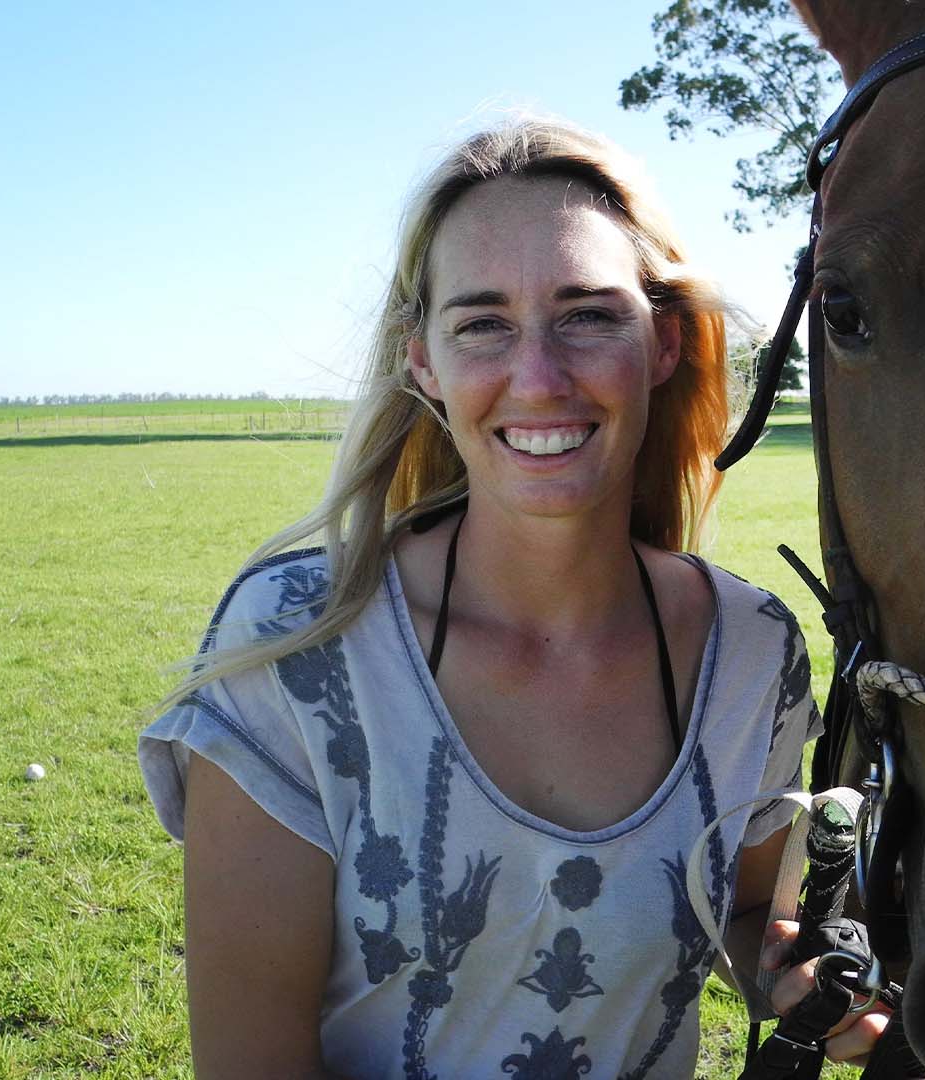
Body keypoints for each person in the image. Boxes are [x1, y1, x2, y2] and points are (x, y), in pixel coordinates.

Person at [138, 116, 884, 1078]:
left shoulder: (749, 647)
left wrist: (792, 971)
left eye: (587, 314)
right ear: (424, 364)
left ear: (662, 343)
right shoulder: (298, 644)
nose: (537, 380)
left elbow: (746, 907)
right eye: (482, 324)